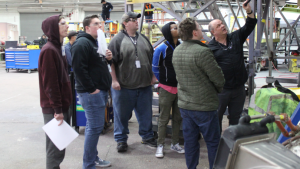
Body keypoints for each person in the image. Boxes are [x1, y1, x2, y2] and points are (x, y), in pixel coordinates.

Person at [172, 17, 225, 169]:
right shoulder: (203, 52)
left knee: (190, 142)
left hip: (186, 106)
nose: (202, 31)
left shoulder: (177, 51)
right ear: (195, 33)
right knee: (213, 143)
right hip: (204, 107)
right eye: (200, 28)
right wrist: (217, 90)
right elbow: (218, 79)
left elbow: (179, 77)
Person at [108, 11, 157, 152]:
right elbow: (111, 62)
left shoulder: (143, 38)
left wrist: (153, 76)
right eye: (133, 19)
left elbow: (150, 59)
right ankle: (121, 140)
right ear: (125, 23)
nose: (136, 21)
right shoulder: (117, 40)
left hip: (144, 85)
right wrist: (114, 81)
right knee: (121, 115)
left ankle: (147, 136)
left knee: (145, 114)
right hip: (124, 87)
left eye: (137, 19)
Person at [207, 1, 257, 132]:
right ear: (213, 32)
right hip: (221, 91)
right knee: (216, 117)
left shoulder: (236, 37)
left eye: (222, 23)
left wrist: (248, 11)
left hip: (239, 89)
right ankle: (217, 144)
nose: (223, 26)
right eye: (219, 25)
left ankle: (233, 141)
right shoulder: (209, 48)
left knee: (236, 118)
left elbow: (250, 25)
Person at [71, 15, 112, 168]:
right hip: (91, 93)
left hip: (98, 90)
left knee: (93, 127)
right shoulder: (82, 43)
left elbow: (97, 65)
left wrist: (109, 58)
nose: (100, 26)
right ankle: (88, 164)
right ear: (87, 27)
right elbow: (79, 70)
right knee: (94, 128)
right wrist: (92, 89)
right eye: (96, 24)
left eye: (101, 24)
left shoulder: (97, 43)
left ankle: (93, 158)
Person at [38, 15, 72, 169]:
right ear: (53, 28)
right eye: (62, 23)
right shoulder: (49, 51)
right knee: (54, 150)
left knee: (59, 146)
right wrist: (57, 109)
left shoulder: (58, 48)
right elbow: (50, 84)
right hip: (54, 109)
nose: (67, 26)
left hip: (61, 105)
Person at [152, 22, 184, 158]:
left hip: (181, 88)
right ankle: (160, 145)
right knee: (163, 118)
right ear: (168, 32)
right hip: (165, 88)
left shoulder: (182, 46)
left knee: (178, 118)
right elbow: (154, 67)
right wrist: (163, 80)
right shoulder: (161, 48)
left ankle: (175, 143)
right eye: (174, 28)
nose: (178, 29)